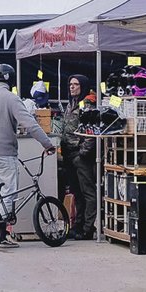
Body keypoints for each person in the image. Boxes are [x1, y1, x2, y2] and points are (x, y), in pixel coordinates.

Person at [0, 63, 55, 246]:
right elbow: (30, 124)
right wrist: (47, 144)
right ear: (11, 78)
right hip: (4, 153)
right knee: (8, 193)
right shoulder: (12, 99)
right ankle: (2, 234)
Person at [52, 75, 98, 240]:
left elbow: (92, 130)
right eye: (70, 84)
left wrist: (83, 152)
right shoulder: (71, 103)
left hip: (80, 154)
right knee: (76, 192)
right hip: (69, 153)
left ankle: (88, 227)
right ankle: (78, 225)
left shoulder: (87, 103)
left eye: (76, 84)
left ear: (82, 86)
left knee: (88, 192)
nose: (72, 87)